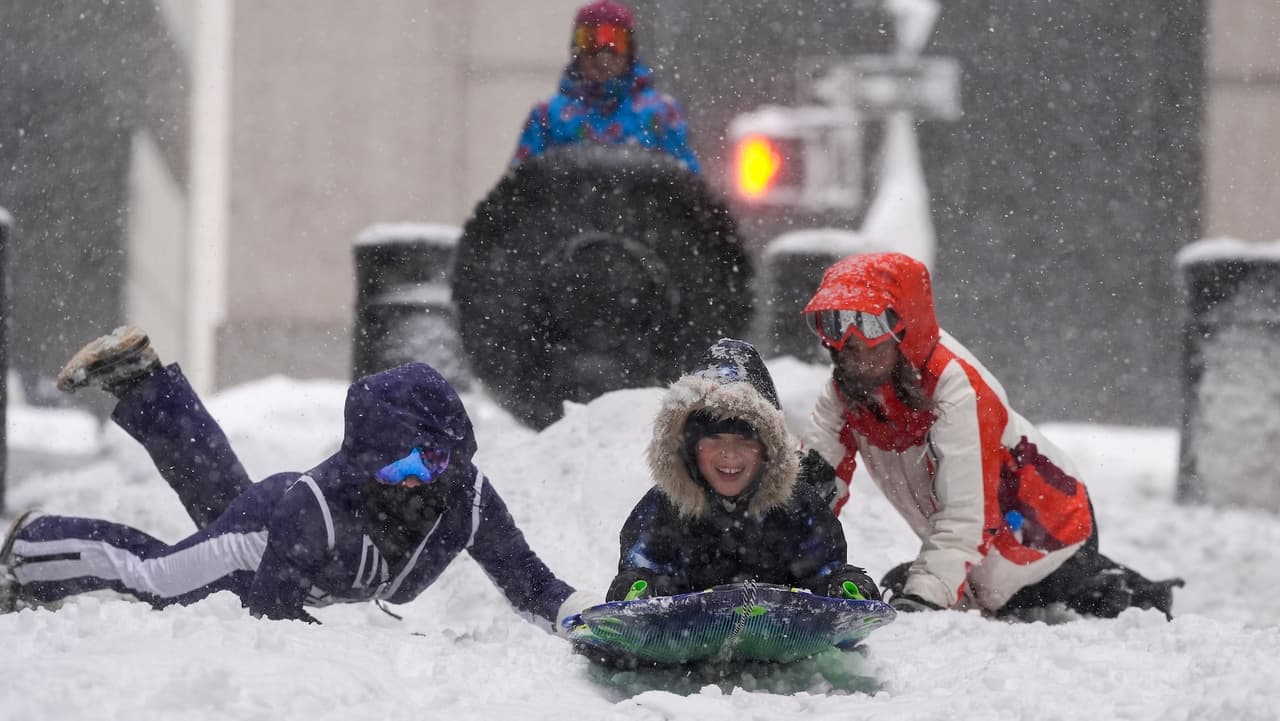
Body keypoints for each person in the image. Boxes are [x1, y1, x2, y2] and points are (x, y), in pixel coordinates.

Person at [0, 327, 600, 629]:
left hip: (283, 514)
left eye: (431, 460)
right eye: (396, 466)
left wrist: (593, 622)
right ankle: (31, 548)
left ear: (457, 452)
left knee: (216, 491)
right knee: (158, 579)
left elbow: (531, 584)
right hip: (263, 534)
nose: (415, 479)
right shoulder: (317, 511)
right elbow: (272, 618)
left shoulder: (467, 499)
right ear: (367, 462)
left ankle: (139, 379)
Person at [797, 252, 1183, 619]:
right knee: (922, 583)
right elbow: (811, 493)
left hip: (1049, 529)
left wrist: (922, 600)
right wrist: (781, 558)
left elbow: (967, 516)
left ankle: (1133, 595)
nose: (852, 342)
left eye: (870, 323)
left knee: (1012, 592)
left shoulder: (958, 390)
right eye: (834, 322)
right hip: (978, 538)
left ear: (907, 325)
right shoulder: (847, 391)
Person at [606, 337, 879, 602]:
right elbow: (641, 567)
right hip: (688, 631)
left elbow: (824, 567)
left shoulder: (798, 505)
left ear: (767, 450)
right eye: (714, 438)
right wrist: (636, 587)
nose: (729, 453)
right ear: (690, 447)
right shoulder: (665, 506)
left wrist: (843, 583)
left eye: (745, 440)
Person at [509, 0, 700, 173]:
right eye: (589, 41)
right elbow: (516, 192)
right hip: (568, 212)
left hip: (641, 211)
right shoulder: (547, 117)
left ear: (630, 52)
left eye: (616, 42)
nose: (602, 58)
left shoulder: (661, 114)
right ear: (576, 50)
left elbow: (690, 192)